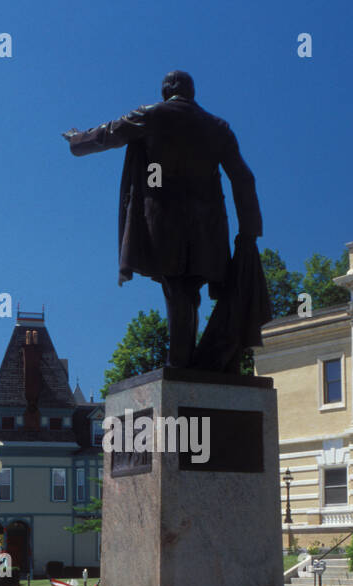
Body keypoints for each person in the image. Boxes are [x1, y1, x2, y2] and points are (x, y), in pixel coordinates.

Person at [64, 70, 266, 371]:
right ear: (192, 92)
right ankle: (185, 363)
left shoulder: (152, 115)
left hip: (164, 221)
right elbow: (243, 178)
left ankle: (180, 364)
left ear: (165, 92)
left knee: (177, 288)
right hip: (208, 228)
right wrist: (249, 230)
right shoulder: (218, 127)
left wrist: (77, 140)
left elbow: (109, 133)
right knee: (188, 289)